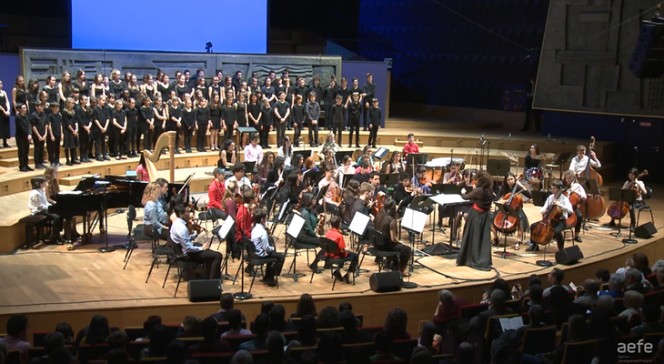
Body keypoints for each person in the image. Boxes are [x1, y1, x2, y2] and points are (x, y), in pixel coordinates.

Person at [170, 204, 222, 279]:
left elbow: (185, 239)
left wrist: (196, 233)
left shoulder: (176, 223)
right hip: (187, 255)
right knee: (218, 255)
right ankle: (212, 282)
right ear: (181, 214)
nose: (190, 214)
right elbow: (188, 248)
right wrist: (201, 248)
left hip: (183, 251)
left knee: (210, 252)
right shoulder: (181, 228)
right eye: (187, 212)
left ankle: (207, 276)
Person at [456, 171, 494, 271]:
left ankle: (471, 258)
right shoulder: (489, 190)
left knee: (473, 237)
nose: (475, 181)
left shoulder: (479, 191)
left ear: (480, 180)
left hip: (476, 216)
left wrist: (463, 191)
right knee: (482, 239)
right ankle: (482, 258)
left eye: (476, 179)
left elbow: (465, 197)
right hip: (485, 216)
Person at [528, 179, 573, 252]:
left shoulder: (564, 199)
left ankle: (561, 249)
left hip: (561, 221)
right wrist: (544, 210)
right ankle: (534, 245)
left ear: (559, 189)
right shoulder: (550, 197)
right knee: (533, 226)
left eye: (554, 189)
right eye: (551, 188)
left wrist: (560, 205)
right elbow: (543, 208)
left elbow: (570, 210)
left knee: (557, 231)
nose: (553, 190)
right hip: (548, 220)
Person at [493, 173, 531, 250]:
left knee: (521, 220)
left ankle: (519, 241)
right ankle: (495, 238)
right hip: (505, 208)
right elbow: (496, 198)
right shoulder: (504, 188)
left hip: (516, 209)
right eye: (508, 180)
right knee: (491, 218)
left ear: (514, 179)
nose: (510, 181)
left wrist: (521, 185)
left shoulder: (517, 187)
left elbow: (529, 195)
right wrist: (502, 200)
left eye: (511, 179)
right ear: (505, 181)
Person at [374, 198, 412, 275]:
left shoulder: (379, 215)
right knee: (406, 249)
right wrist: (400, 242)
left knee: (399, 247)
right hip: (386, 246)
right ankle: (401, 270)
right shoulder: (391, 221)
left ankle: (393, 265)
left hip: (378, 244)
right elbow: (393, 239)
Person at [250, 207, 284, 287]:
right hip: (260, 255)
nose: (266, 220)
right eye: (265, 219)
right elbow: (267, 249)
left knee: (274, 253)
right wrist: (273, 249)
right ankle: (271, 278)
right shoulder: (263, 232)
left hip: (255, 252)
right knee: (281, 257)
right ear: (262, 220)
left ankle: (268, 276)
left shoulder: (254, 228)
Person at [324, 215, 358, 283]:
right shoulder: (339, 236)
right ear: (339, 224)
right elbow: (343, 249)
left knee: (342, 253)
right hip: (337, 256)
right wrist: (347, 248)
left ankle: (337, 271)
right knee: (355, 256)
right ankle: (347, 275)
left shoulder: (327, 233)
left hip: (329, 255)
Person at [563, 170, 587, 243]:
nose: (567, 180)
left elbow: (584, 196)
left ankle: (576, 235)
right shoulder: (563, 185)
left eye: (569, 179)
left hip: (572, 205)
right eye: (566, 178)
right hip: (563, 205)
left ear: (573, 178)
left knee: (579, 216)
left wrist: (579, 195)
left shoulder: (577, 186)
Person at [15, 103, 33, 172]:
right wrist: (27, 135)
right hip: (21, 137)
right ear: (19, 109)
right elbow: (21, 128)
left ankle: (26, 164)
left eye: (25, 108)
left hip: (27, 136)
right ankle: (22, 166)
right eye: (23, 108)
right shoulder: (18, 117)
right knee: (21, 151)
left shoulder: (26, 116)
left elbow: (29, 126)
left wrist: (30, 134)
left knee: (26, 151)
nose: (25, 109)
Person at [31, 101, 48, 169]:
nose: (42, 107)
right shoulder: (33, 115)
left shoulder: (43, 114)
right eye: (40, 106)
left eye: (42, 106)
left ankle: (41, 162)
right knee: (37, 149)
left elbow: (46, 124)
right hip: (37, 135)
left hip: (43, 134)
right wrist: (38, 135)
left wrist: (45, 134)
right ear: (36, 107)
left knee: (42, 149)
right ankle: (37, 163)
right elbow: (33, 126)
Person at [0, 80, 11, 148]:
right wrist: (3, 110)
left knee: (5, 126)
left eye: (1, 83)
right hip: (0, 111)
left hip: (5, 112)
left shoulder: (4, 92)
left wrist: (8, 110)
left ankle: (5, 142)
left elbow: (7, 101)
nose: (0, 85)